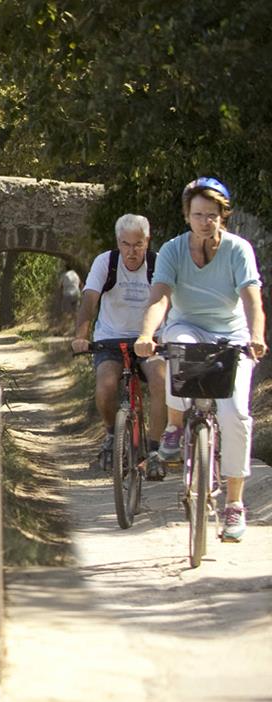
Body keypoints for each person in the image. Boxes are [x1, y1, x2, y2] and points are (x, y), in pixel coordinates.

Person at [134, 177, 266, 543]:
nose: (205, 222)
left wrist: (257, 336)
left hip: (232, 335)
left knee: (235, 414)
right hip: (187, 326)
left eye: (212, 215)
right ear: (187, 216)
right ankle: (175, 426)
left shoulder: (239, 250)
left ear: (223, 216)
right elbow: (160, 297)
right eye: (198, 215)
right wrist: (147, 335)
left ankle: (235, 505)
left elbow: (252, 299)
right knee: (175, 344)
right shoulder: (174, 250)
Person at [71, 214, 169, 473]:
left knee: (161, 381)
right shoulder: (106, 262)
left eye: (138, 244)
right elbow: (90, 299)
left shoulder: (159, 264)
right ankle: (113, 435)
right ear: (118, 242)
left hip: (149, 339)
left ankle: (156, 451)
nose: (131, 251)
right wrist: (81, 336)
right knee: (105, 387)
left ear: (147, 241)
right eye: (125, 244)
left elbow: (166, 302)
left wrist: (164, 336)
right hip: (110, 338)